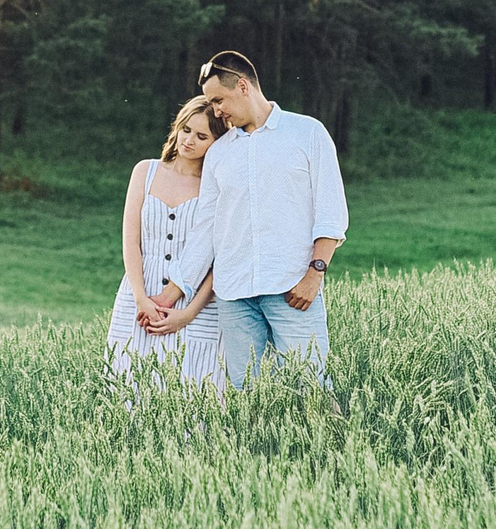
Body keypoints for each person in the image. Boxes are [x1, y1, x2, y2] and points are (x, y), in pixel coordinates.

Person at [145, 49, 346, 390]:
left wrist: (315, 274)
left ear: (243, 86)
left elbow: (332, 212)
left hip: (292, 290)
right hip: (234, 297)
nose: (216, 111)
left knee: (313, 389)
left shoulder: (307, 133)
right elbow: (206, 230)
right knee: (245, 399)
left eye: (219, 100)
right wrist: (170, 294)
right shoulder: (220, 153)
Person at [106, 96, 225, 384]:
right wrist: (140, 298)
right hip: (139, 294)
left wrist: (187, 313)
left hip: (197, 305)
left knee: (192, 392)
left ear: (216, 141)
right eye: (186, 130)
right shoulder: (145, 171)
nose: (189, 141)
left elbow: (219, 259)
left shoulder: (217, 186)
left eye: (201, 136)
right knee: (129, 385)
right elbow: (131, 241)